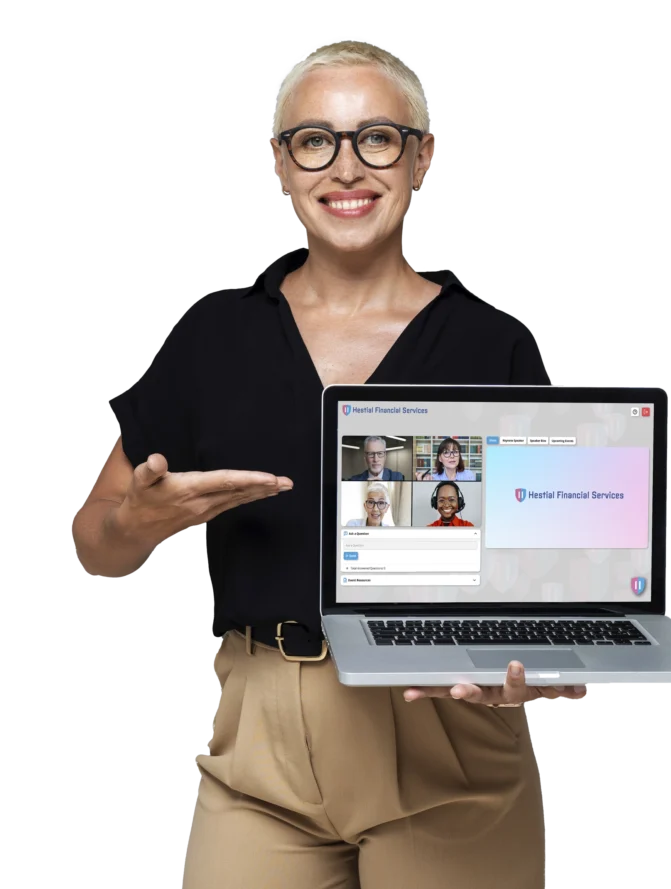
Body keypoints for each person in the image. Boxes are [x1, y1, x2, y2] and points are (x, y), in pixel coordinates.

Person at [71, 40, 586, 889]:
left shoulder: (495, 344)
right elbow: (97, 544)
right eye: (315, 140)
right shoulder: (213, 336)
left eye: (377, 138)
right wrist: (136, 523)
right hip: (260, 749)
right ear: (281, 162)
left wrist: (528, 663)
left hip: (443, 745)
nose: (346, 168)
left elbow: (540, 575)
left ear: (424, 156)